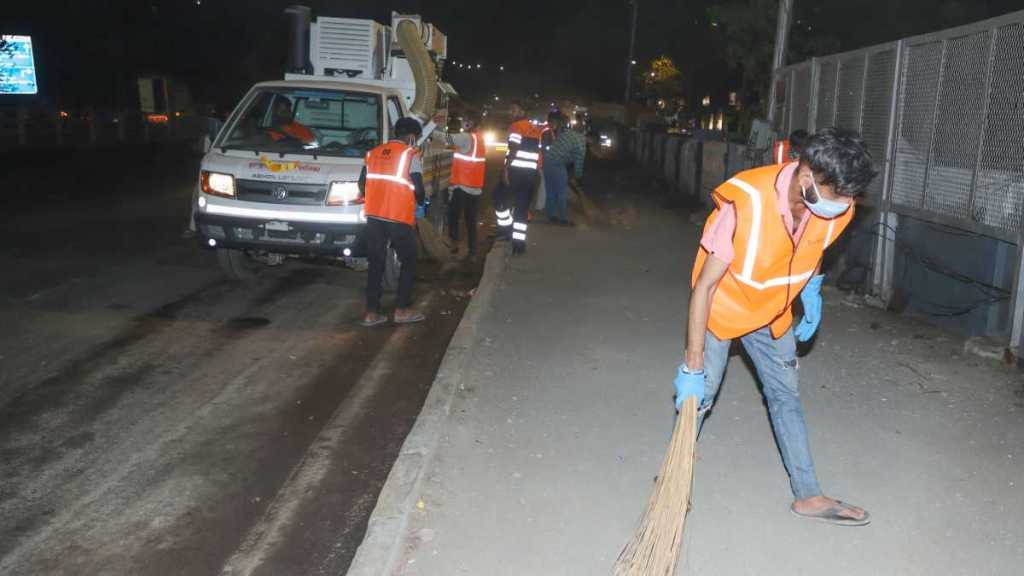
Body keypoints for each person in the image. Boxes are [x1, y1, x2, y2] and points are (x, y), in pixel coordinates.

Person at [675, 128, 877, 526]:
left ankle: (808, 495)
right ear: (807, 178)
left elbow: (814, 246)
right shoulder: (744, 204)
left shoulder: (838, 205)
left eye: (849, 198)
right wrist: (693, 364)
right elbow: (704, 288)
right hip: (723, 311)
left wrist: (813, 291)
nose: (844, 207)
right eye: (837, 197)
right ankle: (674, 481)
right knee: (699, 398)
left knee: (785, 397)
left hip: (771, 313)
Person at [357, 117, 427, 327]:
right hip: (397, 218)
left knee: (376, 263)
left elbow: (362, 185)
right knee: (409, 259)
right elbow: (419, 189)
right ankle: (402, 309)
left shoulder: (373, 153)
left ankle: (371, 312)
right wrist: (420, 203)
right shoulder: (409, 155)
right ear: (412, 137)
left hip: (374, 217)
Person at [500, 103, 544, 254]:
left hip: (516, 172)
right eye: (510, 109)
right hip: (530, 173)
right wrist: (537, 171)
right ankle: (519, 245)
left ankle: (506, 232)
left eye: (513, 110)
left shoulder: (516, 126)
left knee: (499, 200)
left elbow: (513, 148)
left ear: (522, 111)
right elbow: (538, 152)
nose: (510, 112)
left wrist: (506, 169)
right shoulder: (534, 129)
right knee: (521, 209)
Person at [445, 118, 486, 258]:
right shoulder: (479, 139)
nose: (462, 123)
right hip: (475, 187)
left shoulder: (466, 137)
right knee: (470, 219)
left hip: (462, 185)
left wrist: (433, 129)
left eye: (464, 121)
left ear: (470, 123)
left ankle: (454, 245)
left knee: (453, 216)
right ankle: (473, 250)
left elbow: (447, 139)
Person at [543, 112, 587, 226]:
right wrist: (578, 177)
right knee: (562, 192)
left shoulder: (568, 133)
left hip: (547, 161)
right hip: (558, 164)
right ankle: (563, 219)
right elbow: (579, 162)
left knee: (551, 191)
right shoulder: (581, 143)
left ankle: (551, 216)